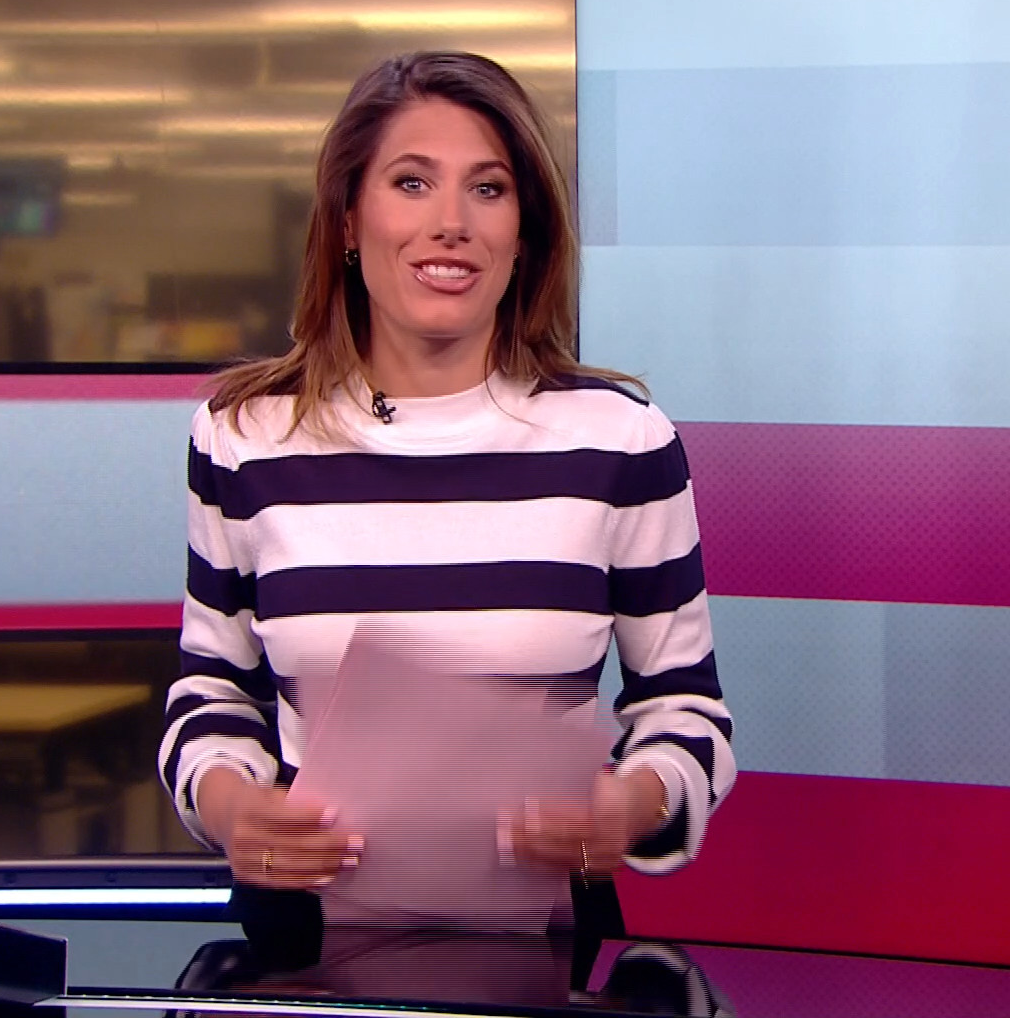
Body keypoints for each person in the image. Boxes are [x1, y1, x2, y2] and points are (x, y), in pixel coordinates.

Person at [158, 51, 734, 913]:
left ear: (524, 232)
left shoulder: (620, 439)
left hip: (544, 928)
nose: (452, 223)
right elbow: (213, 692)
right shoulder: (245, 436)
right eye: (412, 183)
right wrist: (233, 809)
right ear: (348, 221)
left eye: (488, 189)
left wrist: (631, 805)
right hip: (307, 926)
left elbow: (685, 710)